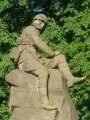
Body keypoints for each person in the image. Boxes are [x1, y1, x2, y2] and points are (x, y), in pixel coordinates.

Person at [10, 14, 85, 110]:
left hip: (34, 59)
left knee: (60, 57)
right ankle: (45, 103)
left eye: (43, 22)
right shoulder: (30, 29)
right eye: (38, 20)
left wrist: (53, 55)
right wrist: (52, 53)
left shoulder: (36, 31)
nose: (40, 23)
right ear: (33, 21)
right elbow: (38, 43)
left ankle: (70, 79)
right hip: (25, 59)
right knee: (43, 71)